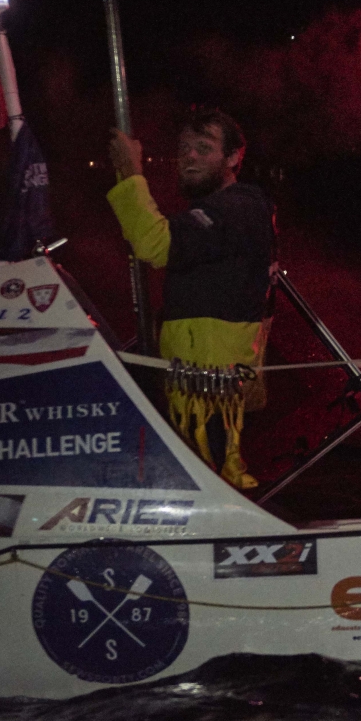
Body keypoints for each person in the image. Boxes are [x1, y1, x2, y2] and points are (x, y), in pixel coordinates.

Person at [106, 107, 275, 490]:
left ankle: (238, 542)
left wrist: (132, 172)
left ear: (233, 158)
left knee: (216, 479)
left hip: (212, 385)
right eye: (184, 148)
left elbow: (155, 244)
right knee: (204, 477)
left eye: (204, 147)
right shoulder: (215, 209)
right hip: (193, 380)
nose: (190, 156)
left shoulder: (239, 206)